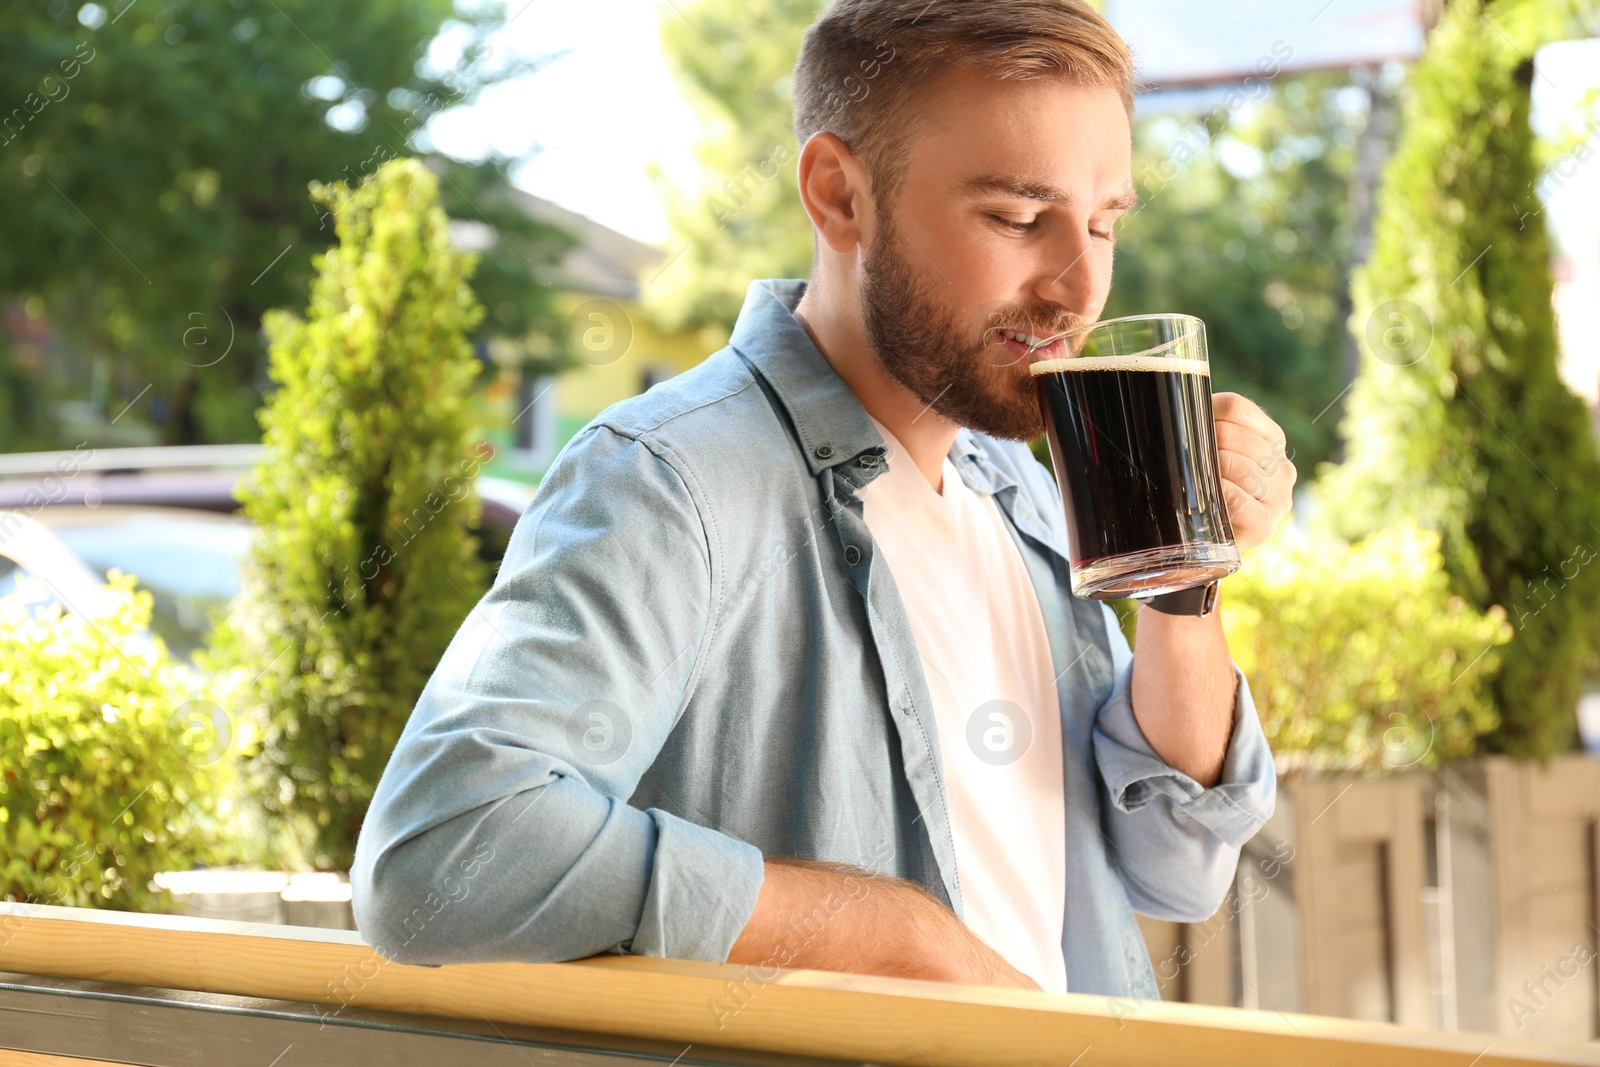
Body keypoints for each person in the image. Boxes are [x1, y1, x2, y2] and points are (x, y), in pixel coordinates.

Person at [351, 0, 1294, 1000]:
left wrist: (1181, 586)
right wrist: (889, 932)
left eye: (1102, 222)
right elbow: (443, 852)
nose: (1077, 285)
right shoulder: (669, 481)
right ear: (839, 196)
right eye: (1017, 218)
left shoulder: (1015, 484)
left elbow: (1175, 862)